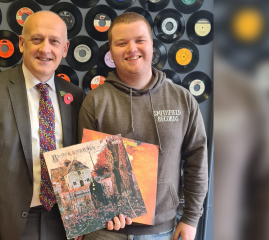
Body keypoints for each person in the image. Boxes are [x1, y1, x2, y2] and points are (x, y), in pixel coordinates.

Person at [78, 12, 208, 240]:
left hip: (163, 231)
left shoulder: (182, 99)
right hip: (106, 232)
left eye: (139, 40)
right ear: (111, 50)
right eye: (121, 43)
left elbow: (197, 162)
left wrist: (190, 219)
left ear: (151, 44)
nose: (132, 48)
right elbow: (84, 170)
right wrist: (98, 211)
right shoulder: (95, 102)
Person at [0, 11, 84, 240]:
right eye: (37, 39)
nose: (45, 49)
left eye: (54, 41)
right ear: (21, 43)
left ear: (65, 49)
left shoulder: (74, 96)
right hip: (7, 225)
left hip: (64, 225)